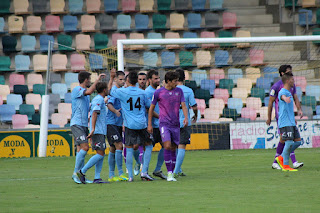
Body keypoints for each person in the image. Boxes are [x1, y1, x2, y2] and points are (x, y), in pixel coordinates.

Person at [111, 71, 154, 182]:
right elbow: (149, 106)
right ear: (136, 81)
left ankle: (130, 176)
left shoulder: (122, 92)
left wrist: (112, 78)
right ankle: (144, 172)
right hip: (142, 124)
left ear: (128, 80)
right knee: (148, 146)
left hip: (130, 125)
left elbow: (111, 91)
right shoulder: (143, 93)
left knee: (129, 149)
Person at [148, 71, 189, 182]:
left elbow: (184, 105)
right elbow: (151, 108)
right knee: (166, 146)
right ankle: (169, 173)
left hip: (176, 124)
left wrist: (186, 117)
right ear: (169, 81)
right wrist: (149, 124)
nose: (177, 83)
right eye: (175, 81)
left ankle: (172, 171)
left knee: (173, 148)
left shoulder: (179, 91)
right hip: (164, 124)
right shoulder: (159, 92)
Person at [266, 65, 304, 170]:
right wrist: (269, 117)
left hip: (290, 118)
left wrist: (299, 110)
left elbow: (296, 98)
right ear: (283, 74)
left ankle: (278, 160)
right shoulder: (277, 87)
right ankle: (290, 162)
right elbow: (271, 102)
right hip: (282, 117)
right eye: (288, 72)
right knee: (287, 140)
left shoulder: (292, 86)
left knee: (286, 139)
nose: (291, 74)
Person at [71, 71, 105, 184]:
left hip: (84, 124)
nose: (90, 81)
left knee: (81, 149)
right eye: (89, 79)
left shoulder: (85, 95)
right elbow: (90, 90)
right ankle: (76, 172)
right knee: (85, 147)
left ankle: (80, 176)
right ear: (85, 79)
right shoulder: (77, 90)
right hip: (77, 123)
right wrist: (98, 80)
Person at [77, 82, 109, 183]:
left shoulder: (99, 100)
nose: (108, 90)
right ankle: (82, 171)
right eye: (107, 88)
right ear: (104, 90)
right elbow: (94, 113)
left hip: (100, 130)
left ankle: (97, 177)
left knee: (101, 153)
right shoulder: (98, 99)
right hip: (98, 131)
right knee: (100, 154)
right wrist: (93, 129)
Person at [173, 69, 198, 177]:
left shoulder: (170, 90)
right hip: (184, 122)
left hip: (172, 122)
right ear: (184, 78)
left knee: (174, 146)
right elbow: (194, 106)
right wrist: (195, 115)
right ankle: (175, 171)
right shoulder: (188, 90)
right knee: (182, 146)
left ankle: (177, 169)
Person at [275, 73, 301, 171]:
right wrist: (285, 98)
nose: (293, 81)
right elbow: (281, 96)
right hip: (285, 122)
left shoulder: (289, 92)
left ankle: (281, 157)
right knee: (289, 143)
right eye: (292, 80)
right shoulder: (283, 92)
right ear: (287, 81)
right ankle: (285, 165)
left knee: (298, 142)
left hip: (291, 122)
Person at [106, 71, 128, 182]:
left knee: (113, 148)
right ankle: (120, 173)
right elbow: (108, 103)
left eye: (124, 79)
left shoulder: (121, 91)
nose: (123, 81)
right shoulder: (114, 91)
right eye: (120, 79)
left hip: (118, 123)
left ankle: (111, 175)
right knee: (119, 145)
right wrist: (115, 111)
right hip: (111, 123)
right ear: (115, 80)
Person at [145, 70, 167, 180]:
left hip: (160, 124)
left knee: (166, 145)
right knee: (148, 147)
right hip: (152, 125)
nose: (158, 80)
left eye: (158, 78)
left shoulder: (158, 91)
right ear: (149, 80)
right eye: (155, 78)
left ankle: (157, 169)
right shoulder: (148, 92)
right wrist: (160, 117)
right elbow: (149, 109)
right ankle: (144, 170)